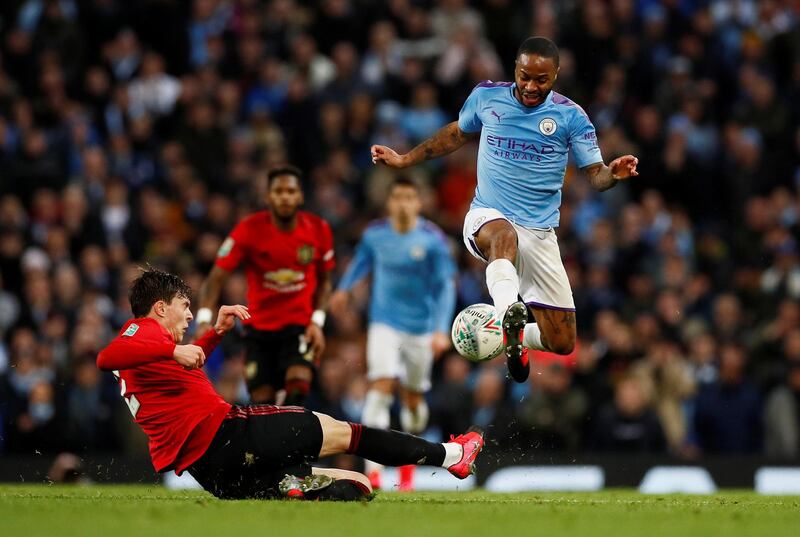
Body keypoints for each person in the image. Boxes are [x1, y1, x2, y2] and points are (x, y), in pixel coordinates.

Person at [371, 36, 639, 383]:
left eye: (540, 80)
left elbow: (596, 177)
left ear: (555, 76)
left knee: (561, 340)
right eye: (524, 75)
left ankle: (515, 336)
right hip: (488, 217)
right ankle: (504, 314)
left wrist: (613, 174)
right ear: (515, 68)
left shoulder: (571, 116)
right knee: (503, 233)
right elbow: (455, 134)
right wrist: (406, 159)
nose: (530, 85)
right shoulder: (486, 96)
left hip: (539, 233)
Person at [96, 268, 484, 501]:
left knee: (359, 482)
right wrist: (175, 352)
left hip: (211, 473)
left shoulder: (147, 351)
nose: (188, 315)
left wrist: (213, 334)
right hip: (231, 434)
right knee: (349, 435)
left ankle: (291, 483)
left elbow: (174, 365)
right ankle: (452, 455)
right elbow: (106, 356)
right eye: (184, 306)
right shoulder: (142, 332)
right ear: (160, 308)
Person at [329, 177, 457, 488]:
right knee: (380, 386)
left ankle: (409, 465)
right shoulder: (375, 235)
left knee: (412, 400)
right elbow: (361, 264)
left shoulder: (432, 239)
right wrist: (343, 290)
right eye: (397, 197)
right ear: (389, 203)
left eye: (408, 198)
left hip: (421, 329)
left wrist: (441, 330)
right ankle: (374, 472)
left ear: (418, 203)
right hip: (384, 324)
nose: (402, 203)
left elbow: (444, 288)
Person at [196, 165, 334, 406]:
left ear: (300, 195)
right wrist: (204, 319)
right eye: (278, 191)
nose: (285, 197)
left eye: (290, 191)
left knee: (297, 390)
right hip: (259, 331)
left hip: (300, 327)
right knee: (263, 406)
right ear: (268, 196)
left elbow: (325, 283)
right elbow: (215, 278)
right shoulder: (249, 230)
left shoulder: (318, 230)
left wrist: (317, 321)